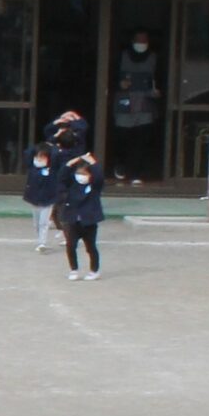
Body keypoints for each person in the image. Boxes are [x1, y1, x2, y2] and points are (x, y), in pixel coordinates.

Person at [111, 29, 162, 184]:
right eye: (138, 41)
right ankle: (120, 166)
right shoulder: (121, 56)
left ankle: (137, 173)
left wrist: (157, 92)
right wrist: (119, 84)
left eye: (144, 41)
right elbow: (108, 77)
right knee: (122, 138)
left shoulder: (154, 58)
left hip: (144, 106)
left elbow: (161, 81)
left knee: (141, 141)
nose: (141, 44)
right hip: (124, 105)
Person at [59, 153, 106, 280]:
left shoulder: (94, 187)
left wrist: (93, 163)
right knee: (70, 245)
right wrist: (70, 163)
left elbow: (100, 178)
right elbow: (62, 177)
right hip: (73, 222)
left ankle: (94, 270)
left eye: (84, 174)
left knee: (91, 247)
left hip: (89, 223)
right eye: (79, 173)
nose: (81, 177)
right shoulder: (72, 185)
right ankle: (74, 270)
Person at [22, 142, 62, 253]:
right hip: (34, 199)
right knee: (36, 223)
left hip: (48, 200)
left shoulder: (52, 170)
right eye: (37, 157)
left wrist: (52, 147)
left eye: (42, 157)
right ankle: (40, 240)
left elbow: (55, 155)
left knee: (43, 223)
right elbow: (27, 152)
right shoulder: (32, 168)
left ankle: (42, 243)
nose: (39, 159)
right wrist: (38, 147)